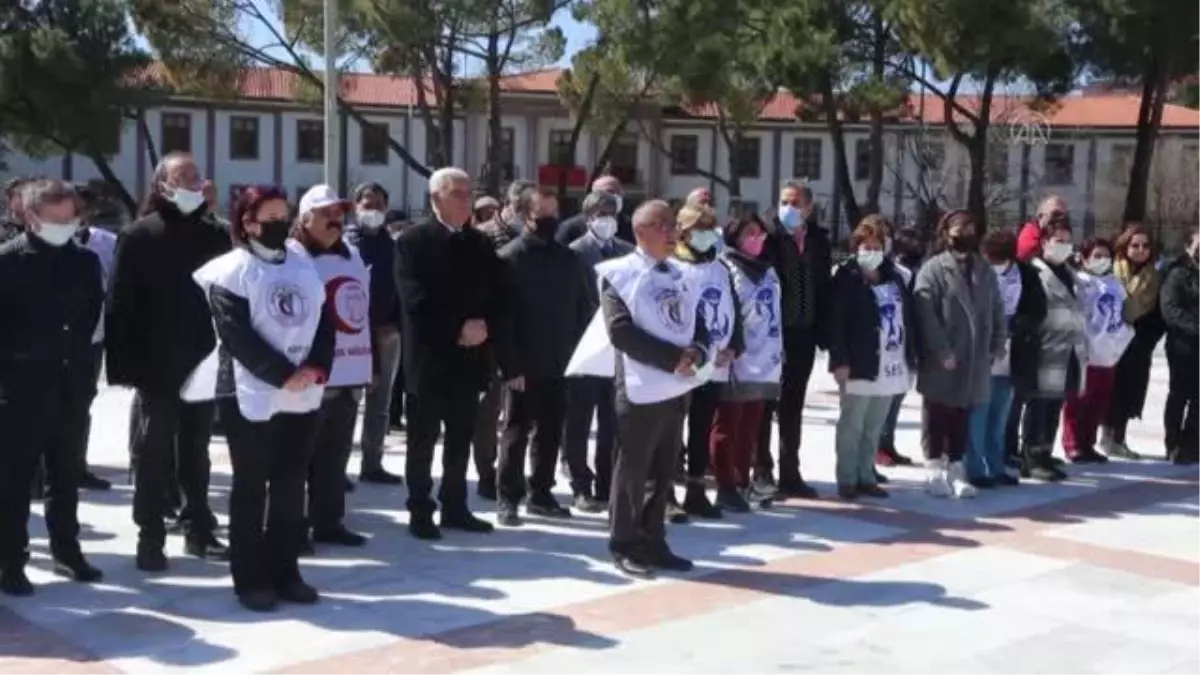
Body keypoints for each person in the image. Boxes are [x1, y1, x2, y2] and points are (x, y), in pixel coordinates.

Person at [183, 185, 332, 612]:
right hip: (251, 390)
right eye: (271, 217)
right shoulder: (230, 271)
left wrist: (315, 368)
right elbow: (236, 335)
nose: (280, 224)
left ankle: (286, 570)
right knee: (252, 486)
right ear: (248, 222)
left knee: (290, 484)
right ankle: (249, 577)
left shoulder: (302, 263)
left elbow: (323, 320)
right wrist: (282, 375)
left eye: (284, 216)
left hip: (303, 388)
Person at [106, 152, 229, 571]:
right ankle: (150, 537)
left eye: (197, 175)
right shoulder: (140, 235)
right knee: (155, 452)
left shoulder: (216, 235)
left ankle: (199, 529)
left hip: (202, 360)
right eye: (184, 177)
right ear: (162, 186)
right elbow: (120, 303)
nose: (195, 182)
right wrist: (124, 367)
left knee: (197, 451)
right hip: (157, 365)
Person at [394, 167, 513, 539]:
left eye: (468, 192)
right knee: (422, 440)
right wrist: (457, 329)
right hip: (429, 358)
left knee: (461, 436)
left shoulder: (478, 244)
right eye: (457, 193)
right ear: (435, 198)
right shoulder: (412, 242)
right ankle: (419, 509)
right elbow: (414, 300)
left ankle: (455, 506)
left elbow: (499, 292)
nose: (467, 199)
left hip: (470, 359)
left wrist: (486, 327)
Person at [0, 180, 105, 596]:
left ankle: (67, 550)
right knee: (14, 480)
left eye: (71, 217)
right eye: (56, 219)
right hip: (21, 387)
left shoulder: (85, 261)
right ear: (30, 218)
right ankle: (10, 561)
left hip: (71, 385)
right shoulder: (7, 262)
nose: (66, 225)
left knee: (65, 475)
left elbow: (90, 315)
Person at [600, 200, 708, 578]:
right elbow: (620, 331)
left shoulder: (682, 273)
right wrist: (671, 358)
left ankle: (654, 538)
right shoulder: (619, 274)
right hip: (640, 386)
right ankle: (624, 542)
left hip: (677, 385)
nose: (671, 231)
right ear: (640, 231)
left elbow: (699, 320)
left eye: (672, 224)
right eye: (661, 225)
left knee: (664, 469)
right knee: (632, 469)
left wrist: (698, 350)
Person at [495, 188, 592, 526]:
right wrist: (511, 365)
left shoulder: (568, 259)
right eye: (543, 215)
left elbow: (583, 308)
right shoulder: (509, 259)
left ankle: (541, 492)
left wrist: (579, 355)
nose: (551, 221)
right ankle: (508, 496)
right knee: (516, 431)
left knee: (551, 432)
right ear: (525, 217)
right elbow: (502, 320)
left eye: (555, 213)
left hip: (560, 361)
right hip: (524, 363)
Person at [289, 186, 372, 549]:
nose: (334, 220)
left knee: (334, 455)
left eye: (338, 213)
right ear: (305, 219)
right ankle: (291, 526)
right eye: (325, 214)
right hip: (308, 373)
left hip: (350, 370)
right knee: (296, 457)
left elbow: (360, 310)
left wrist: (372, 363)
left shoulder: (351, 254)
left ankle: (328, 521)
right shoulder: (290, 257)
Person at [913, 210, 1006, 499]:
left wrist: (998, 342)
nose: (965, 231)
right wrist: (941, 349)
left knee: (963, 413)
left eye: (970, 226)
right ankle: (934, 469)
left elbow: (996, 308)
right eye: (959, 227)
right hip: (944, 355)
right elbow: (925, 312)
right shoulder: (933, 269)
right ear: (946, 232)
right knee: (938, 411)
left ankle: (956, 468)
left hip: (975, 356)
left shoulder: (984, 269)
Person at [829, 216, 918, 500]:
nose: (870, 250)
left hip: (890, 361)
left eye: (875, 245)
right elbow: (836, 323)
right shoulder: (845, 277)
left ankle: (867, 474)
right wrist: (839, 360)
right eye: (864, 246)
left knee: (874, 424)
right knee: (853, 424)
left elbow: (908, 316)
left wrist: (912, 355)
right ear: (855, 248)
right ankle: (847, 478)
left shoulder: (894, 276)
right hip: (859, 362)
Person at [755, 179, 831, 499]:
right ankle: (762, 472)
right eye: (784, 201)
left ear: (809, 208)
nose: (789, 208)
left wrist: (823, 333)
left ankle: (790, 472)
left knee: (793, 406)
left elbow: (824, 287)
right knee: (763, 406)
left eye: (795, 203)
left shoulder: (818, 241)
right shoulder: (767, 240)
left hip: (804, 334)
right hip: (773, 335)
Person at [563, 191, 633, 513]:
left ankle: (608, 483)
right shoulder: (574, 254)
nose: (608, 219)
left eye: (612, 213)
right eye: (601, 213)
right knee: (579, 419)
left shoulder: (626, 252)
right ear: (588, 216)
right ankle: (580, 483)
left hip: (618, 350)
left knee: (613, 420)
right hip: (585, 347)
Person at [673, 203, 740, 518]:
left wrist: (734, 345)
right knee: (671, 427)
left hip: (714, 360)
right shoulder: (673, 265)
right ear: (684, 232)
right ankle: (664, 492)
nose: (705, 236)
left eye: (709, 229)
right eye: (699, 229)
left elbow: (733, 307)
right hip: (681, 359)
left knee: (702, 425)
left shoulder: (721, 267)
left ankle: (696, 489)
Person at [710, 213, 781, 511]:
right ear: (734, 237)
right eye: (749, 233)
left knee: (751, 427)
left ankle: (743, 480)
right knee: (727, 424)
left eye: (760, 233)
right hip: (735, 358)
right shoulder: (725, 268)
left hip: (764, 360)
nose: (756, 239)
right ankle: (725, 483)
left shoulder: (769, 271)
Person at [967, 229, 1045, 488]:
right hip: (981, 352)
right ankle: (975, 467)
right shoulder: (975, 272)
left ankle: (996, 464)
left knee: (1000, 414)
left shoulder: (1027, 275)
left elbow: (1037, 312)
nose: (995, 266)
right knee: (978, 411)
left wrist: (1013, 329)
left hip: (1014, 352)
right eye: (990, 259)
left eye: (999, 261)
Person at [472, 181, 532, 501]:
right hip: (492, 336)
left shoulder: (535, 237)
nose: (526, 216)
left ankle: (512, 473)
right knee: (488, 408)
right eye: (522, 209)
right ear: (508, 206)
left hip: (525, 336)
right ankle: (486, 471)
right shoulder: (483, 236)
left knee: (520, 411)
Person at [345, 182, 404, 485]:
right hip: (351, 336)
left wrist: (396, 323)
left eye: (379, 203)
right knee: (346, 403)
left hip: (386, 333)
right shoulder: (344, 245)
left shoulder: (393, 246)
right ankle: (335, 467)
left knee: (380, 404)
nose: (373, 209)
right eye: (367, 203)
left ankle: (372, 463)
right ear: (355, 207)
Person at [1021, 218, 1087, 481]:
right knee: (1039, 405)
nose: (1063, 246)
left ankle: (1045, 453)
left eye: (1067, 241)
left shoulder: (1069, 273)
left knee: (1055, 405)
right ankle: (1030, 457)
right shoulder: (1034, 272)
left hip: (1068, 349)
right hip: (1045, 348)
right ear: (1045, 243)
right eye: (1058, 241)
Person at [1062, 238, 1134, 464]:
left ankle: (1088, 443)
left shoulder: (1115, 284)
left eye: (1106, 256)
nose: (1102, 260)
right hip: (1085, 351)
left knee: (1098, 402)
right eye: (1097, 256)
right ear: (1084, 258)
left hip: (1108, 353)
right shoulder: (1080, 282)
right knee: (1078, 401)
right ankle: (1073, 444)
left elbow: (1121, 313)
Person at [1102, 224, 1165, 459]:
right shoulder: (1111, 271)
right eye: (1135, 245)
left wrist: (1146, 338)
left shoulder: (1156, 277)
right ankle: (1103, 435)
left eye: (1145, 246)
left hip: (1139, 341)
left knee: (1131, 390)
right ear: (1125, 246)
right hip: (1109, 340)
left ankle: (1119, 437)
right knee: (1106, 390)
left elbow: (1160, 314)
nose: (1140, 250)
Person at [73, 197, 118, 492]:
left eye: (78, 210)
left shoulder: (107, 243)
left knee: (82, 403)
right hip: (52, 340)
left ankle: (77, 465)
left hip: (93, 337)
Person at [876, 226, 925, 467]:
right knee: (884, 398)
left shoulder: (911, 270)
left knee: (898, 395)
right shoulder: (894, 271)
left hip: (907, 340)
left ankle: (888, 442)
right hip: (886, 344)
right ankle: (877, 445)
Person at [1159, 227, 1200, 465]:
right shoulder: (1177, 274)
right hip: (1182, 345)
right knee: (1180, 394)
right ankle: (1173, 443)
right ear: (1188, 247)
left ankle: (1192, 442)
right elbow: (1171, 310)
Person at [556, 175, 633, 245]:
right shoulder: (571, 228)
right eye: (609, 192)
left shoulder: (630, 227)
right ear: (593, 196)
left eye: (619, 192)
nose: (614, 196)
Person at [1017, 195, 1068, 263]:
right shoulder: (1029, 234)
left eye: (1063, 215)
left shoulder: (1055, 232)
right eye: (1055, 214)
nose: (1060, 218)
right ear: (1041, 215)